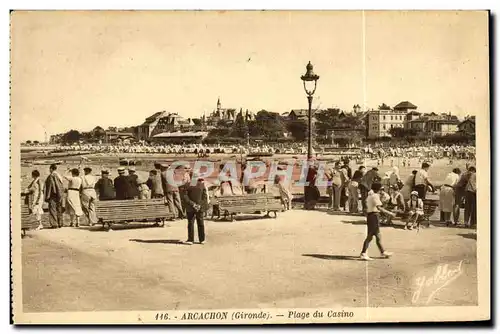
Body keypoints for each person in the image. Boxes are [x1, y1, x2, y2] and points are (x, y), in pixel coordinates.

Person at [359, 182, 395, 261]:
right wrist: (390, 213)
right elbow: (379, 208)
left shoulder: (370, 195)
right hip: (373, 216)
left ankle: (383, 251)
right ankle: (363, 253)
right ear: (378, 189)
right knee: (370, 236)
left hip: (373, 216)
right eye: (381, 189)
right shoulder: (375, 196)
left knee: (378, 235)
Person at [183, 174, 209, 245]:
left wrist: (193, 204)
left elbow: (185, 197)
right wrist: (199, 205)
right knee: (200, 223)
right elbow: (204, 197)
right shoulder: (201, 185)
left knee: (190, 223)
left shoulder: (187, 185)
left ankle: (190, 240)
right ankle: (202, 239)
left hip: (190, 207)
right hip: (199, 207)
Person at [44, 164, 65, 228]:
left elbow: (50, 186)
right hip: (60, 194)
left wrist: (47, 196)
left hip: (53, 194)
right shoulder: (59, 175)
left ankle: (54, 224)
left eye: (49, 169)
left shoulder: (51, 175)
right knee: (59, 209)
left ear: (51, 169)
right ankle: (60, 223)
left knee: (52, 209)